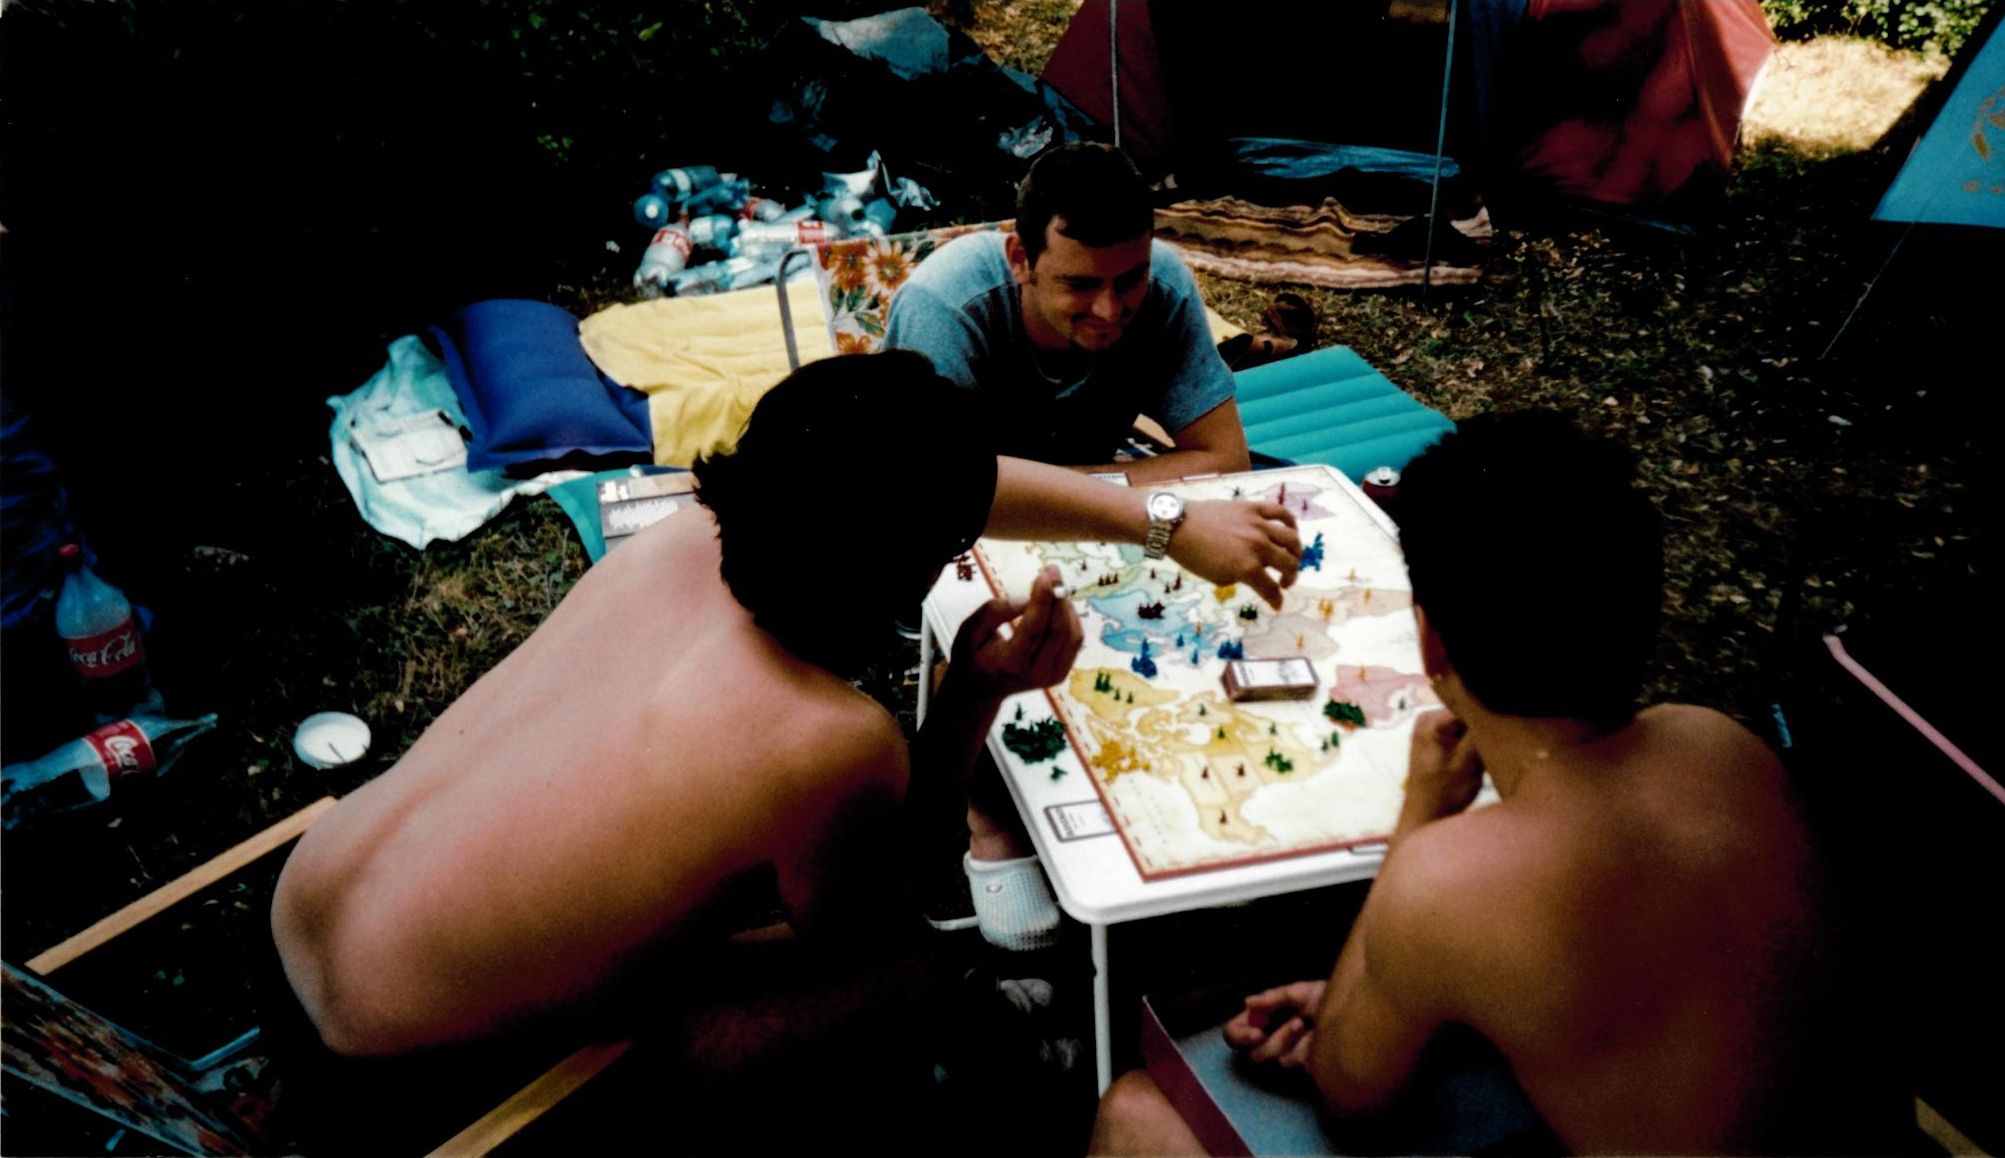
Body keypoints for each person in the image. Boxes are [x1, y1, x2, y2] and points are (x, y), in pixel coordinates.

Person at [263, 351, 1300, 1152]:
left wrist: (1161, 524)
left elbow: (939, 485)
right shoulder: (824, 741)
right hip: (397, 1085)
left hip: (297, 924)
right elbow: (869, 931)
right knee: (915, 971)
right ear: (908, 565)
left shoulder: (677, 542)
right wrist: (973, 698)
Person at [1089, 411, 1897, 1156]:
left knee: (1134, 1112)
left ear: (1430, 645)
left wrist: (1415, 828)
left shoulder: (1453, 881)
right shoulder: (1723, 747)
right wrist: (1368, 992)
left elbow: (1348, 1095)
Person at [884, 141, 1249, 483]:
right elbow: (933, 488)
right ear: (1020, 260)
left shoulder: (1164, 284)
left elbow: (1226, 459)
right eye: (1080, 285)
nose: (1109, 311)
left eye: (1129, 281)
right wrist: (1092, 494)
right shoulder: (946, 306)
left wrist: (1077, 494)